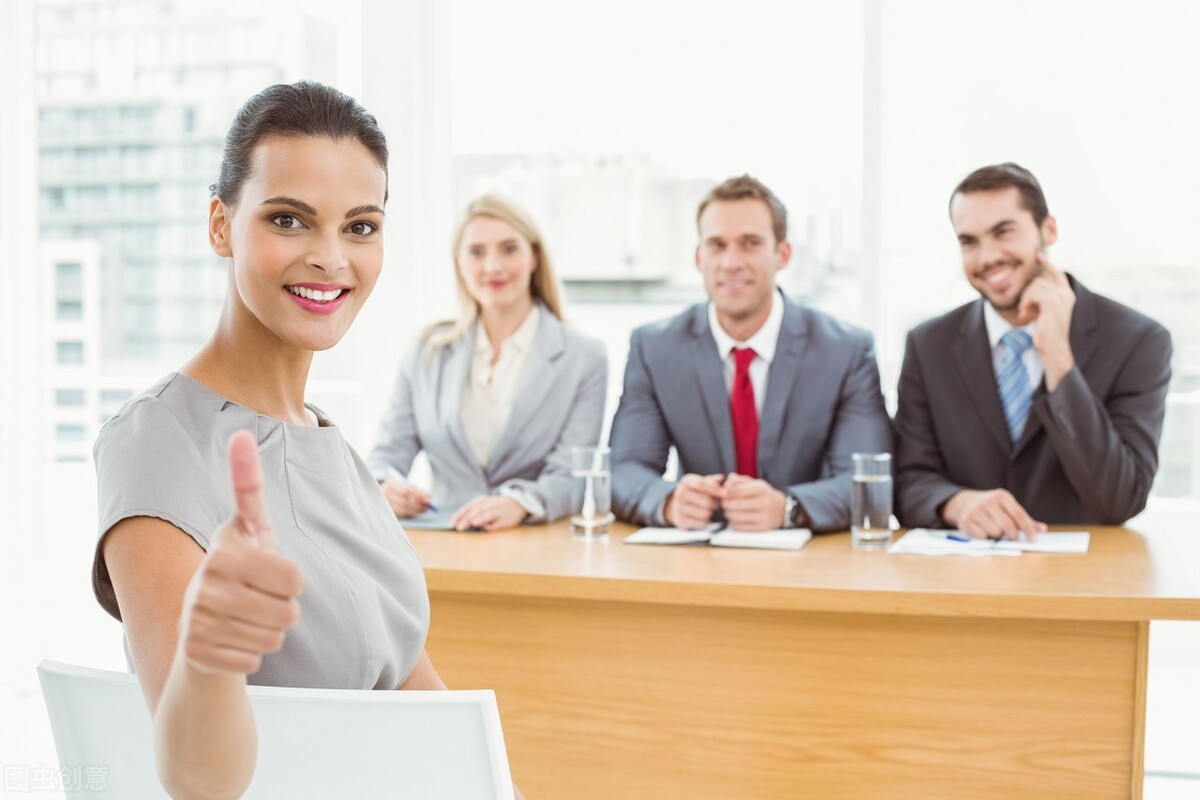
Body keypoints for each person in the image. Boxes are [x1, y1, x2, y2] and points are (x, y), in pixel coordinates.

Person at [92, 82, 448, 800]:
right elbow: (197, 779)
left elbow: (420, 700)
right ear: (221, 225)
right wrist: (214, 653)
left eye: (360, 226)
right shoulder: (157, 444)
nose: (330, 257)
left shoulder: (336, 451)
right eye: (289, 220)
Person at [894, 162, 1172, 539]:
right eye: (969, 241)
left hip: (1083, 582)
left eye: (1003, 232)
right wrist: (957, 503)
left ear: (1048, 230)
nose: (987, 257)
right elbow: (907, 479)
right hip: (963, 580)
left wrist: (1057, 356)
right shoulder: (928, 345)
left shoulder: (1138, 342)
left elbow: (1121, 498)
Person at [609, 174, 893, 532]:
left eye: (750, 243)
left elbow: (867, 479)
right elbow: (623, 469)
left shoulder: (845, 350)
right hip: (698, 559)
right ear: (699, 257)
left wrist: (789, 507)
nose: (731, 262)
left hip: (808, 561)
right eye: (717, 245)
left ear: (782, 254)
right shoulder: (655, 348)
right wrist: (667, 501)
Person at [367, 195, 607, 531]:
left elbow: (572, 473)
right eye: (477, 252)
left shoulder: (584, 357)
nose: (493, 266)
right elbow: (387, 454)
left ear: (534, 256)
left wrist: (519, 503)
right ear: (458, 264)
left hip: (534, 544)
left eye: (509, 249)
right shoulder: (427, 351)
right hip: (443, 540)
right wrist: (384, 488)